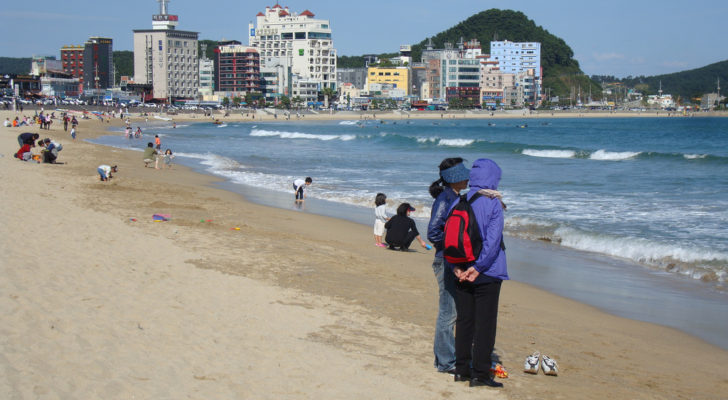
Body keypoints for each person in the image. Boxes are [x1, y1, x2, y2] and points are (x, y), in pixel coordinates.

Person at [449, 158, 509, 388]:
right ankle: (480, 375)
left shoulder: (459, 201)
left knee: (464, 321)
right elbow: (493, 243)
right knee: (485, 324)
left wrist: (455, 267)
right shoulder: (493, 203)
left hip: (461, 269)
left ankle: (461, 370)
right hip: (487, 271)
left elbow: (449, 238)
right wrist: (479, 267)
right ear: (493, 178)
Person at [426, 158, 470, 374]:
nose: (468, 177)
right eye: (464, 173)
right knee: (448, 312)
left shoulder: (453, 196)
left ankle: (442, 359)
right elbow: (433, 232)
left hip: (450, 259)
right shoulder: (446, 199)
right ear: (454, 177)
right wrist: (456, 243)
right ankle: (446, 362)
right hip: (446, 260)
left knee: (451, 310)